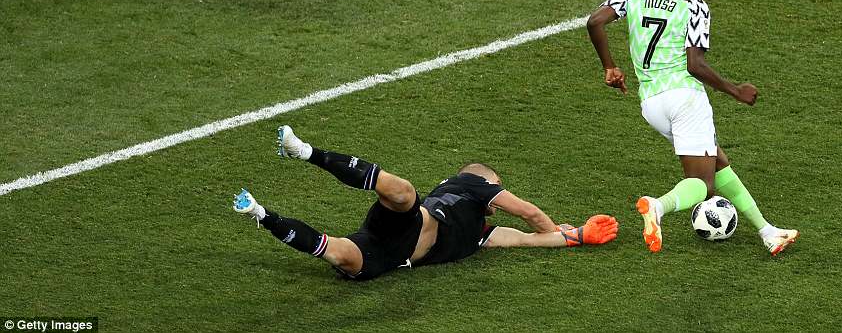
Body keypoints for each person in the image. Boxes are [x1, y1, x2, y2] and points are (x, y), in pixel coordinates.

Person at [586, 0, 798, 256]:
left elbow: (595, 22)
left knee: (716, 159)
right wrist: (735, 90)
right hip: (685, 98)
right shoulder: (695, 4)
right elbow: (694, 65)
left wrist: (609, 66)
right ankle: (658, 207)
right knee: (703, 185)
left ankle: (767, 231)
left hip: (651, 104)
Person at [232, 125, 619, 280]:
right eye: (498, 187)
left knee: (340, 258)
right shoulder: (472, 184)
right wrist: (556, 228)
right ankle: (305, 152)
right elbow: (530, 214)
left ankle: (261, 214)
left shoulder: (482, 233)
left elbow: (523, 238)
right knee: (402, 192)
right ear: (486, 181)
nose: (499, 199)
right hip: (410, 223)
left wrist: (578, 236)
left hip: (386, 256)